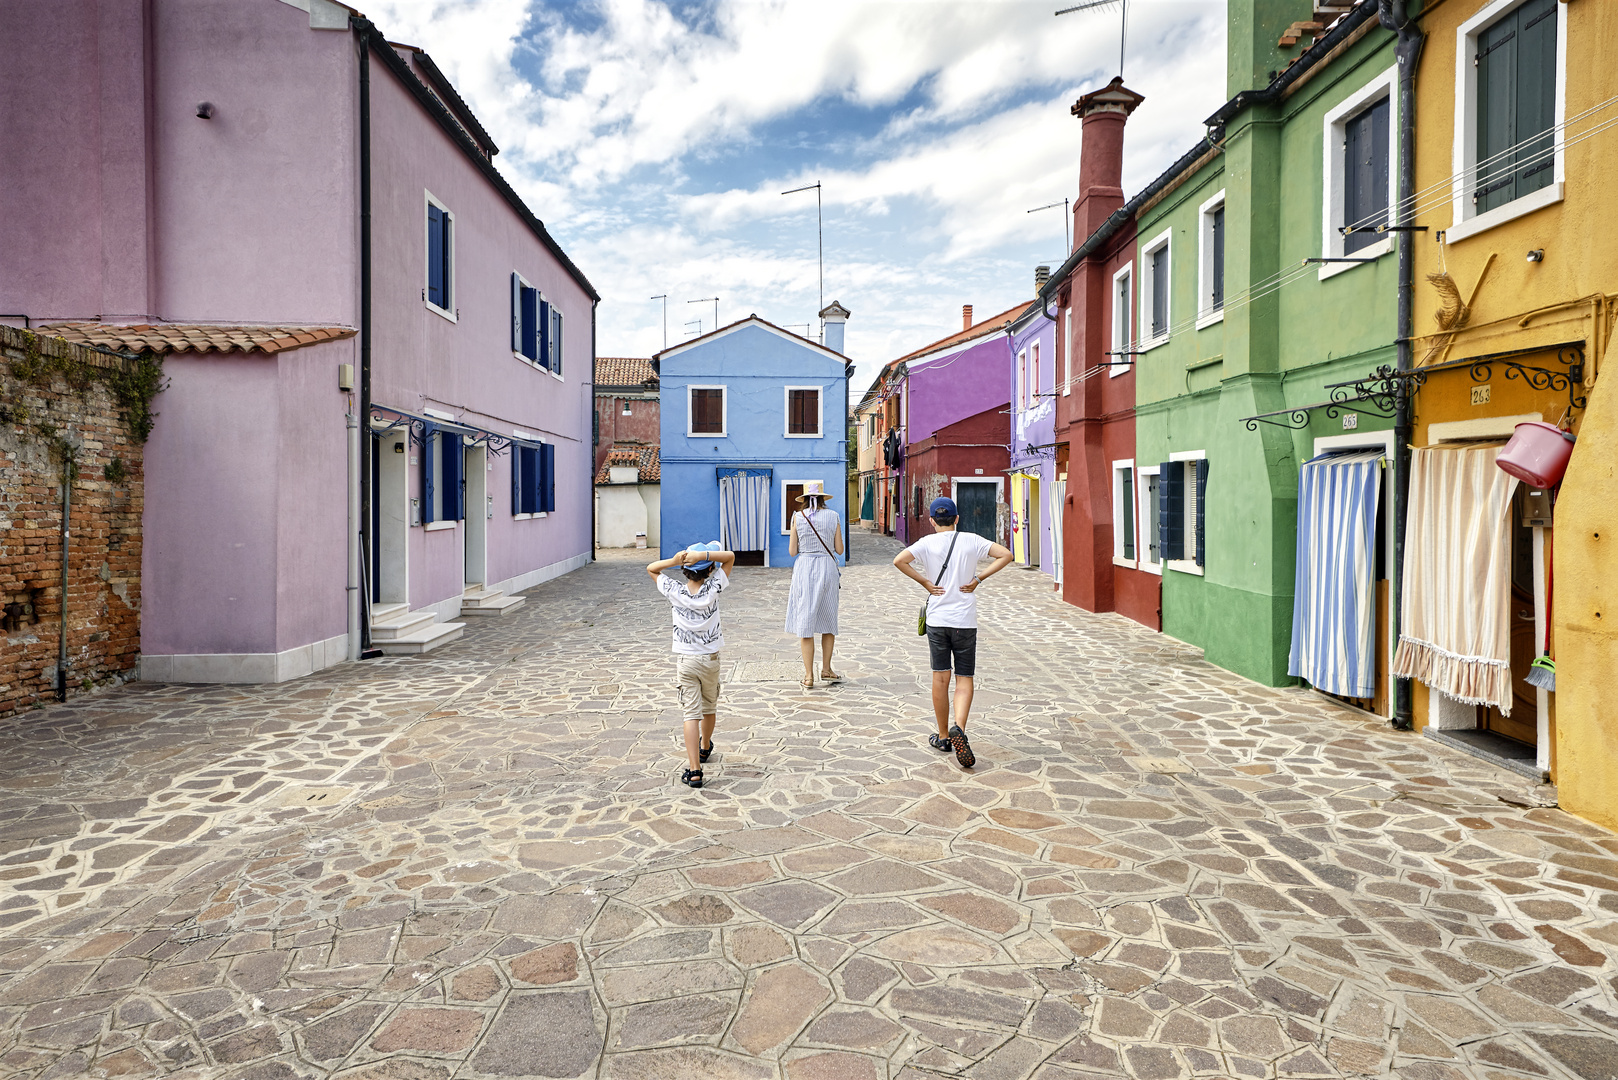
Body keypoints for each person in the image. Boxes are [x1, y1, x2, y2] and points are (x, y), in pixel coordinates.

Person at [892, 496, 1013, 768]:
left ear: (932, 520)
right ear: (957, 519)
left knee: (940, 677)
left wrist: (925, 582)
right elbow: (1007, 554)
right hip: (965, 619)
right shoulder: (971, 540)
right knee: (964, 677)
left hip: (938, 618)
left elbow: (899, 560)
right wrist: (978, 579)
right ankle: (960, 727)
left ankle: (944, 736)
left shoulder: (926, 543)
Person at [647, 540, 736, 788]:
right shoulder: (714, 588)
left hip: (686, 660)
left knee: (690, 713)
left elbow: (651, 569)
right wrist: (703, 555)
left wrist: (675, 560)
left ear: (685, 570)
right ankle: (705, 746)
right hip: (710, 659)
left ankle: (694, 770)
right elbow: (729, 557)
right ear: (710, 571)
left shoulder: (674, 590)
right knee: (709, 707)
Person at [785, 481, 844, 688]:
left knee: (805, 621)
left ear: (804, 499)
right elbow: (839, 549)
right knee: (828, 620)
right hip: (827, 568)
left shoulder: (797, 518)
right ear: (822, 498)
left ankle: (809, 676)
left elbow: (793, 551)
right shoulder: (834, 516)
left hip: (805, 569)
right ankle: (826, 669)